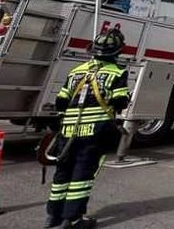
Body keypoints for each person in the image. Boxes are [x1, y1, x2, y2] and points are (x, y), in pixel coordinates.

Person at [46, 29, 130, 229]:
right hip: (95, 132)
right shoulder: (117, 72)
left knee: (62, 174)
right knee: (81, 176)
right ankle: (73, 219)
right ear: (117, 51)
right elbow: (120, 101)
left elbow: (61, 101)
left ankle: (52, 216)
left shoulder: (77, 70)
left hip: (68, 132)